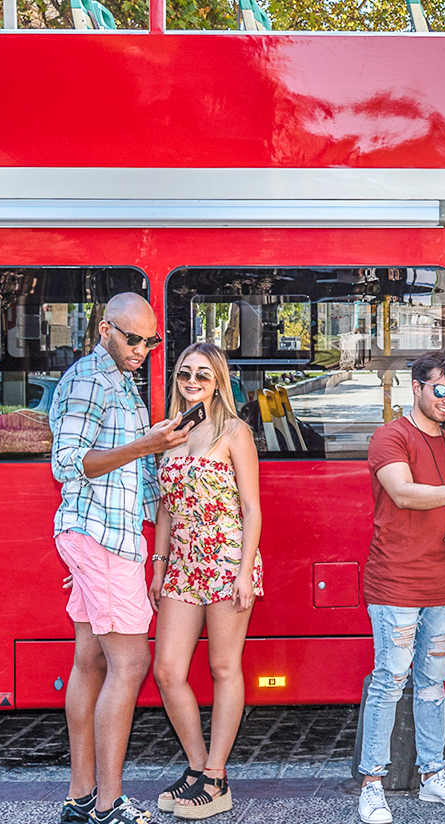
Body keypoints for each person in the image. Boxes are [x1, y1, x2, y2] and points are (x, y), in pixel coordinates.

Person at [49, 293, 190, 824]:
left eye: (151, 341)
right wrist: (145, 445)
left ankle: (82, 797)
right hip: (103, 539)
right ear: (106, 329)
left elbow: (139, 473)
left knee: (91, 661)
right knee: (130, 663)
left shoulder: (122, 382)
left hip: (103, 537)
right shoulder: (91, 379)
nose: (143, 349)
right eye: (133, 339)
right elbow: (68, 463)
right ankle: (108, 804)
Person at [356, 348, 445, 822]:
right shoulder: (390, 437)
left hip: (442, 584)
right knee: (389, 681)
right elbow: (402, 491)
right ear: (416, 387)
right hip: (394, 581)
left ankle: (433, 775)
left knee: (433, 684)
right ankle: (372, 783)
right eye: (440, 390)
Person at [148, 343, 262, 820]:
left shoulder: (235, 431)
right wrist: (157, 564)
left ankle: (216, 776)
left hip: (226, 559)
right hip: (182, 564)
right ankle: (198, 768)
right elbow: (166, 505)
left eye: (202, 375)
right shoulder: (170, 433)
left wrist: (244, 570)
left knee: (222, 668)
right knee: (167, 671)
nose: (191, 382)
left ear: (218, 382)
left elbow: (253, 508)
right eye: (184, 374)